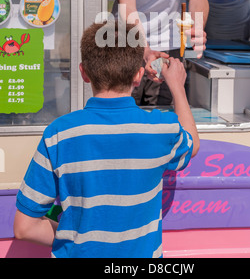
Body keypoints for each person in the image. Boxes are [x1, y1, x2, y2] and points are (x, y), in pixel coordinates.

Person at [14, 20, 199, 258]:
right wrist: (178, 87)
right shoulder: (160, 129)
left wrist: (77, 238)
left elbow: (24, 227)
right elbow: (192, 143)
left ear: (84, 73)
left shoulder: (59, 133)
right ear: (138, 75)